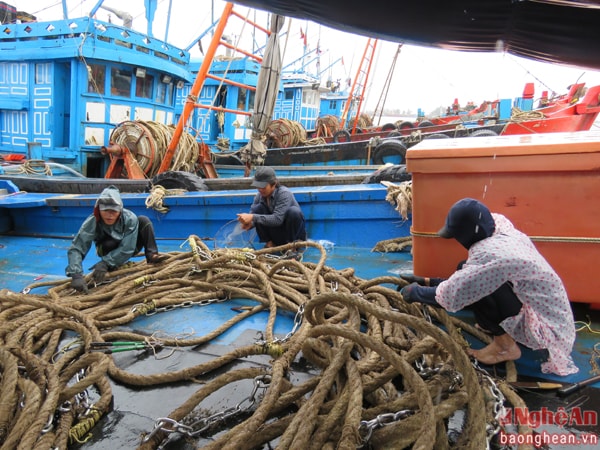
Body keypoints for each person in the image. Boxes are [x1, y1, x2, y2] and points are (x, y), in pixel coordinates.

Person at [400, 197, 578, 376]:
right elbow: (467, 277)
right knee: (467, 269)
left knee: (481, 288)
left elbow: (454, 294)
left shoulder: (493, 255)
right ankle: (496, 326)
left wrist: (415, 292)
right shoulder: (499, 228)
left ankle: (505, 347)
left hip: (547, 329)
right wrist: (429, 281)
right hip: (545, 311)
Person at [66, 185, 167, 293]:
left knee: (144, 221)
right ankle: (111, 265)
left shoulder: (130, 218)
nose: (109, 215)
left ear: (120, 210)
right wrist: (76, 275)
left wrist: (105, 263)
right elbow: (77, 247)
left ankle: (152, 255)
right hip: (106, 248)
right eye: (105, 211)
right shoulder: (92, 221)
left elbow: (127, 248)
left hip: (129, 245)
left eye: (113, 211)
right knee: (110, 243)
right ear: (98, 209)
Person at [237, 166, 307, 249]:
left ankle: (293, 247)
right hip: (276, 236)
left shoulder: (284, 194)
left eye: (263, 187)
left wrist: (252, 217)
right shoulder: (259, 197)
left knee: (294, 212)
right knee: (257, 209)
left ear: (273, 184)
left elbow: (277, 219)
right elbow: (255, 218)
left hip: (291, 235)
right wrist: (250, 224)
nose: (260, 189)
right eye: (258, 186)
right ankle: (270, 243)